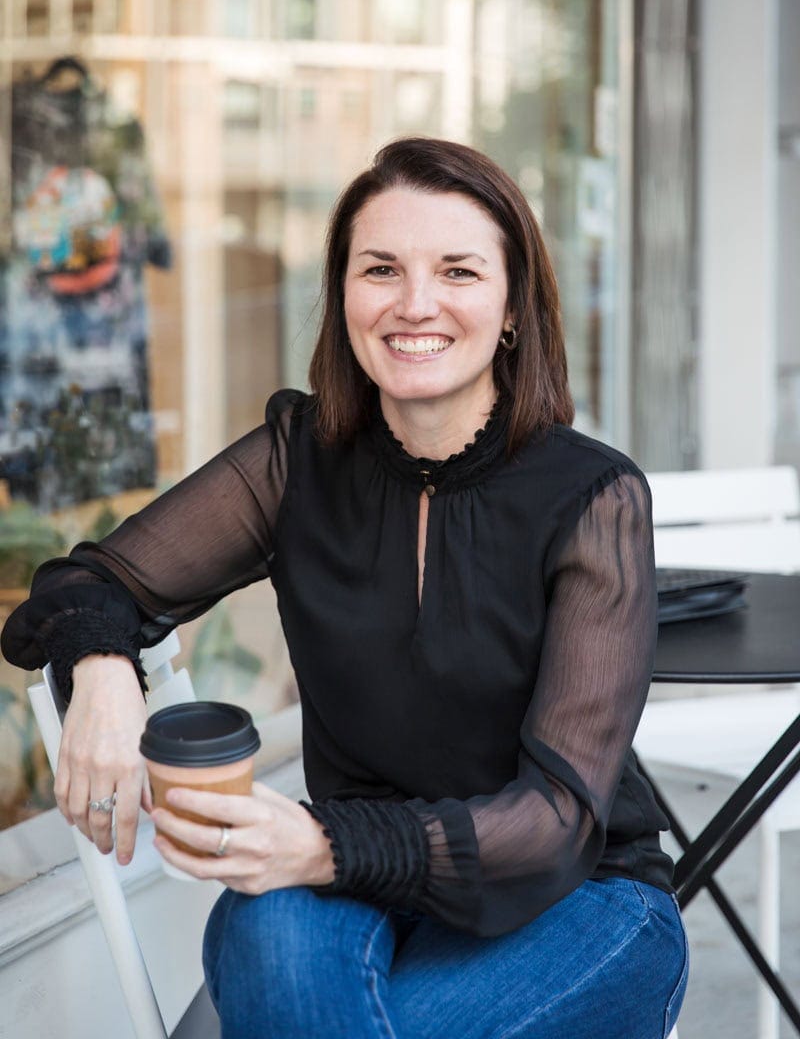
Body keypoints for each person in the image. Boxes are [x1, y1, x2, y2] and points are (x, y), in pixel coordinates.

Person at [1, 137, 688, 1038]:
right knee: (280, 958)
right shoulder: (299, 460)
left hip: (573, 902)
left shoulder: (592, 499)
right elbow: (79, 584)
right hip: (335, 878)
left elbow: (553, 825)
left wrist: (322, 843)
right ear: (345, 294)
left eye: (458, 271)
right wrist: (99, 671)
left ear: (513, 303)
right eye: (381, 269)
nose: (414, 304)